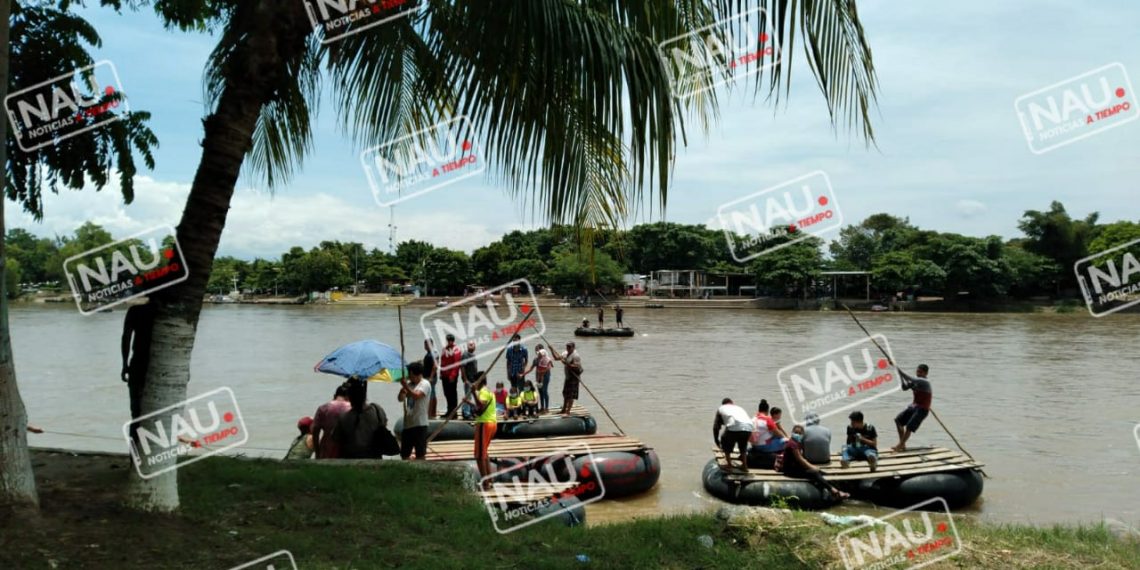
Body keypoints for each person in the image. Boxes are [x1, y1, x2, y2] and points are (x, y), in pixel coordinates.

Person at [775, 425, 850, 500]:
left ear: (802, 434)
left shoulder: (797, 443)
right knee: (814, 473)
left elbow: (802, 459)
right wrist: (812, 467)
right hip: (790, 470)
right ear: (792, 433)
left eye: (799, 433)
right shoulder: (792, 444)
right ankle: (834, 491)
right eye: (796, 432)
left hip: (796, 467)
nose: (797, 434)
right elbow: (800, 459)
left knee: (821, 472)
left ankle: (834, 489)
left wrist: (815, 468)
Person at [120, 300, 157, 442]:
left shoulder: (135, 311)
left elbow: (126, 338)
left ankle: (135, 456)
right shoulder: (169, 312)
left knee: (136, 415)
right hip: (161, 365)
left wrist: (124, 364)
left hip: (138, 365)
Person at [333, 378, 388, 459]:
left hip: (351, 458)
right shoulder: (377, 410)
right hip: (374, 456)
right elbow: (384, 426)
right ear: (365, 395)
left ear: (349, 397)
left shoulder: (344, 418)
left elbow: (335, 438)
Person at [893, 364, 933, 452]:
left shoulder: (924, 382)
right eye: (917, 371)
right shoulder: (915, 381)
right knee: (898, 420)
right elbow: (904, 387)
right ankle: (902, 444)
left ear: (926, 373)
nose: (918, 374)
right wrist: (900, 376)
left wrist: (896, 367)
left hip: (923, 409)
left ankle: (900, 445)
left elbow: (909, 378)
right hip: (914, 406)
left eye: (920, 372)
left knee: (909, 427)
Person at [467, 376, 497, 488]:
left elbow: (480, 406)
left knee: (479, 455)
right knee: (484, 453)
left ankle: (485, 483)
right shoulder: (489, 391)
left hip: (484, 424)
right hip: (492, 423)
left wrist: (474, 393)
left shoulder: (483, 391)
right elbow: (482, 408)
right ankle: (490, 480)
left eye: (476, 380)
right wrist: (469, 402)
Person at [397, 361, 431, 460]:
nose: (409, 377)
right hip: (408, 423)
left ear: (414, 374)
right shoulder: (410, 384)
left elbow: (416, 395)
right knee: (404, 454)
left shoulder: (425, 384)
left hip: (420, 423)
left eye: (410, 374)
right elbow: (400, 399)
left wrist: (406, 387)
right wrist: (403, 389)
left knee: (420, 454)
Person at [311, 382, 352, 459]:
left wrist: (317, 452)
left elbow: (315, 432)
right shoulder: (352, 409)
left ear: (334, 396)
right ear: (349, 396)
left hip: (327, 449)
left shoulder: (323, 408)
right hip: (347, 450)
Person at [713, 398, 755, 470]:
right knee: (743, 446)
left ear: (723, 404)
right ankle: (744, 466)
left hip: (735, 427)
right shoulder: (739, 408)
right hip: (749, 427)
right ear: (732, 403)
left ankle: (729, 465)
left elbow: (716, 427)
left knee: (724, 440)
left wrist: (717, 440)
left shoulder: (721, 408)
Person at [552, 341, 583, 415]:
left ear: (573, 347)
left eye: (569, 347)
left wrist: (566, 363)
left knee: (571, 395)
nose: (568, 348)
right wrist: (552, 349)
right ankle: (563, 409)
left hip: (574, 377)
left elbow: (577, 366)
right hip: (568, 376)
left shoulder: (576, 355)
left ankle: (568, 411)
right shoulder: (565, 353)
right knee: (565, 393)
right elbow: (556, 358)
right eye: (567, 346)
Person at [523, 343, 553, 412]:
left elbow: (548, 368)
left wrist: (542, 373)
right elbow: (531, 368)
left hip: (545, 376)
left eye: (537, 350)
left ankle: (547, 408)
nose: (536, 352)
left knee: (545, 391)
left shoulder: (546, 358)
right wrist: (523, 374)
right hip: (538, 377)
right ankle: (542, 407)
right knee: (540, 392)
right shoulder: (535, 359)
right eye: (535, 350)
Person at [439, 334, 463, 418]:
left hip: (451, 375)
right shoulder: (445, 349)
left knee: (452, 394)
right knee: (446, 393)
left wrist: (452, 376)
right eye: (448, 340)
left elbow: (456, 364)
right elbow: (442, 362)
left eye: (450, 341)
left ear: (453, 341)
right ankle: (449, 410)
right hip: (445, 375)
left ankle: (453, 412)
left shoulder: (456, 349)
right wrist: (441, 373)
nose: (449, 342)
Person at [422, 339, 439, 418]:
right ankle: (433, 413)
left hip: (430, 377)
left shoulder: (433, 353)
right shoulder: (429, 354)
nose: (426, 346)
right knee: (433, 394)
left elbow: (435, 366)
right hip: (429, 377)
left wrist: (431, 377)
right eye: (425, 345)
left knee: (430, 396)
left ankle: (430, 414)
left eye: (427, 345)